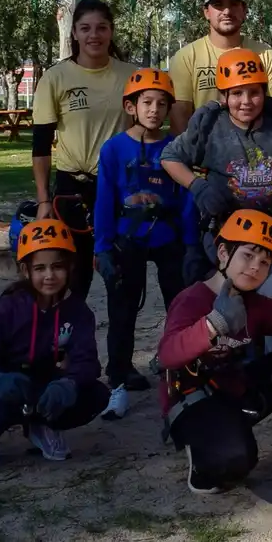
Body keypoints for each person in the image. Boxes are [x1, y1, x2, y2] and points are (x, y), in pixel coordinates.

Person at [157, 210, 272, 493]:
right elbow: (167, 355)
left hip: (232, 391)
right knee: (234, 462)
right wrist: (213, 325)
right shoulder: (191, 299)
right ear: (223, 252)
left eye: (265, 262)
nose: (255, 267)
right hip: (191, 401)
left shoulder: (255, 304)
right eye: (248, 255)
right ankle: (203, 454)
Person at [0, 219, 111, 469]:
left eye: (57, 266)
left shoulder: (78, 311)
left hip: (46, 382)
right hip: (7, 384)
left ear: (71, 267)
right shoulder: (6, 308)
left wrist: (69, 383)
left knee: (96, 394)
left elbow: (87, 361)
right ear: (25, 270)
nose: (49, 275)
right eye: (40, 268)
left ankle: (42, 425)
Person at [93, 68, 196, 417]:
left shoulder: (175, 148)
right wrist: (102, 247)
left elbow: (186, 198)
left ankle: (183, 377)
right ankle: (118, 383)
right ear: (130, 106)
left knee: (180, 310)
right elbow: (104, 199)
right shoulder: (113, 149)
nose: (154, 109)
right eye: (147, 102)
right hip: (127, 239)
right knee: (121, 313)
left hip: (169, 239)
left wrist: (192, 244)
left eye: (162, 103)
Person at [161, 47, 272, 300]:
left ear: (265, 93)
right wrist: (197, 186)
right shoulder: (210, 126)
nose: (246, 101)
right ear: (223, 95)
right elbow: (170, 157)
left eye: (254, 92)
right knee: (226, 304)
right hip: (224, 230)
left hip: (271, 228)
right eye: (236, 93)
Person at [31, 0, 137, 303]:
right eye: (86, 28)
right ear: (74, 33)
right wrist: (42, 200)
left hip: (120, 189)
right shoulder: (56, 78)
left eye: (102, 27)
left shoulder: (131, 77)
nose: (94, 35)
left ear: (112, 32)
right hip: (72, 190)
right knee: (72, 284)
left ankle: (120, 351)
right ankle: (65, 348)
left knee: (122, 284)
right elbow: (40, 145)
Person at [167, 0, 272, 132]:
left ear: (245, 10)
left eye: (234, 4)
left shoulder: (265, 54)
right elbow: (180, 116)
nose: (227, 11)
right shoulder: (185, 57)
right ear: (206, 12)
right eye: (218, 4)